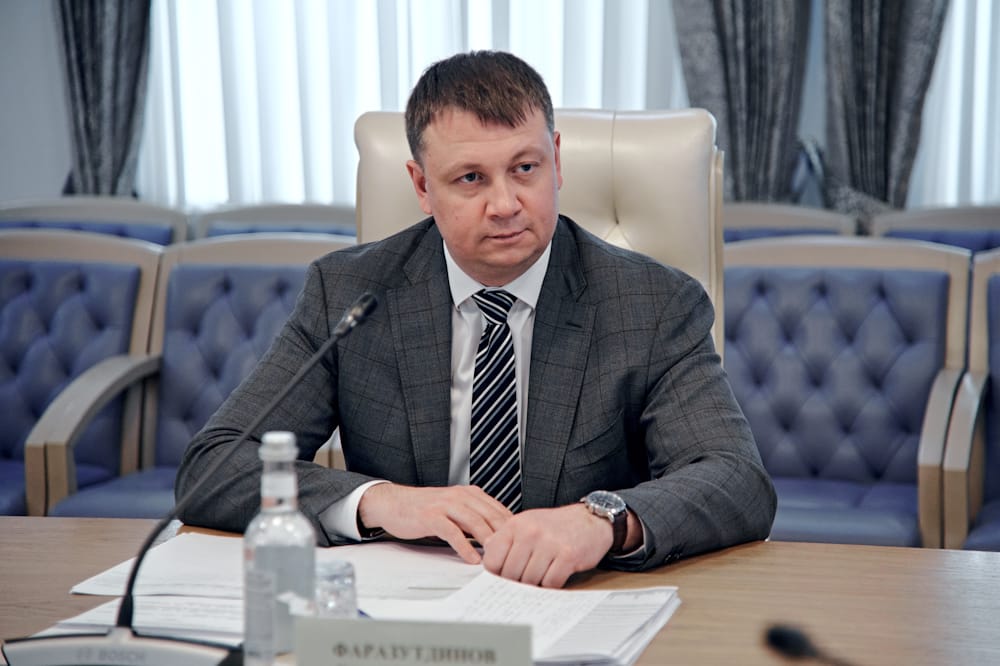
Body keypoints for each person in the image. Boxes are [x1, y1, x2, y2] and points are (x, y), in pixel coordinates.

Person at [176, 50, 775, 588]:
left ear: (557, 160)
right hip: (408, 610)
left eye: (525, 169)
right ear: (421, 186)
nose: (506, 204)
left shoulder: (652, 303)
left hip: (582, 600)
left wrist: (603, 521)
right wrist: (383, 502)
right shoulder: (351, 294)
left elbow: (735, 478)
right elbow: (215, 467)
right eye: (471, 179)